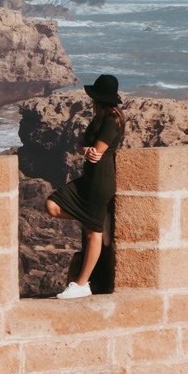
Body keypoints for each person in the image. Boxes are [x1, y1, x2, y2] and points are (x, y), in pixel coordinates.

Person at [45, 74, 126, 299]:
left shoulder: (112, 120)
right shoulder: (99, 118)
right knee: (52, 205)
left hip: (101, 180)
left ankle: (81, 285)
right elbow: (81, 146)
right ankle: (93, 219)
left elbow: (96, 153)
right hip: (89, 178)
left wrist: (88, 149)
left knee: (93, 234)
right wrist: (85, 149)